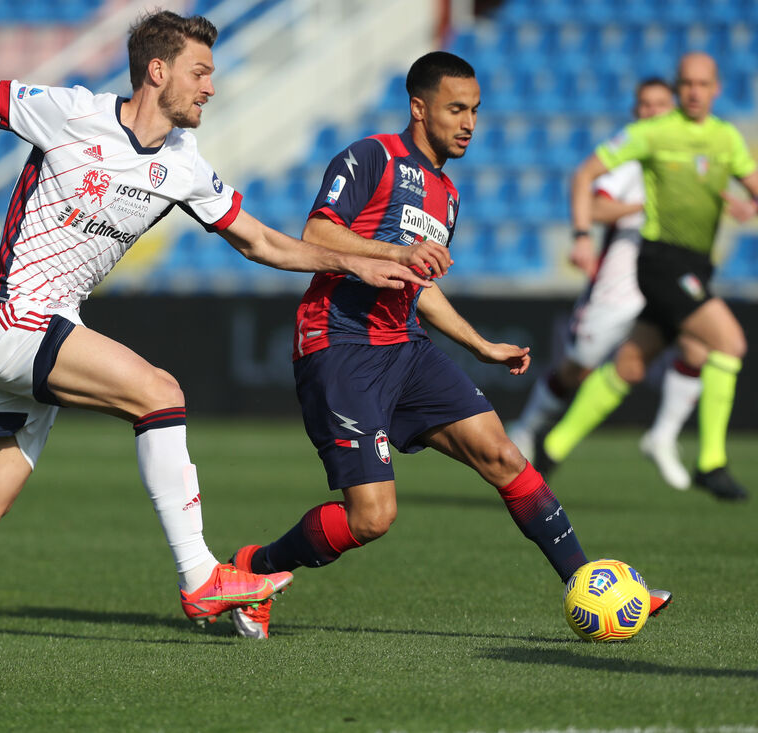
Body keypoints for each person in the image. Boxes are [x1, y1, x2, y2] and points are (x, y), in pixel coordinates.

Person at [0, 10, 432, 637]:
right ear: (157, 71)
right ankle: (201, 577)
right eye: (200, 72)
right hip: (12, 318)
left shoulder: (184, 167)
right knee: (160, 393)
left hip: (40, 338)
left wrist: (356, 262)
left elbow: (263, 242)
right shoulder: (73, 112)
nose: (210, 88)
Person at [225, 52, 671, 639]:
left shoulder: (447, 194)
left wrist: (479, 343)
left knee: (504, 456)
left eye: (476, 111)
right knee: (373, 517)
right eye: (456, 109)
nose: (469, 123)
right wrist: (397, 253)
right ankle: (252, 570)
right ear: (419, 108)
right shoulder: (373, 157)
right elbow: (319, 232)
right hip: (340, 345)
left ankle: (588, 579)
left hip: (405, 347)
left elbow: (422, 286)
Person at [536, 52, 758, 501]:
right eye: (687, 84)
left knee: (633, 363)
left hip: (695, 266)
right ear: (679, 88)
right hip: (661, 262)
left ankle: (552, 446)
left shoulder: (726, 139)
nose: (694, 92)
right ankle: (711, 461)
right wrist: (581, 235)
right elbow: (585, 175)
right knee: (728, 343)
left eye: (703, 84)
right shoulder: (652, 133)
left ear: (717, 89)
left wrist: (747, 204)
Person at [508, 78, 707, 491]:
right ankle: (528, 426)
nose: (651, 112)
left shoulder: (682, 158)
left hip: (664, 281)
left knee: (699, 344)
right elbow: (596, 205)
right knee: (578, 366)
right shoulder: (628, 158)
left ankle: (664, 437)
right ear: (635, 111)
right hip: (620, 286)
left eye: (659, 105)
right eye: (644, 105)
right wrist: (642, 208)